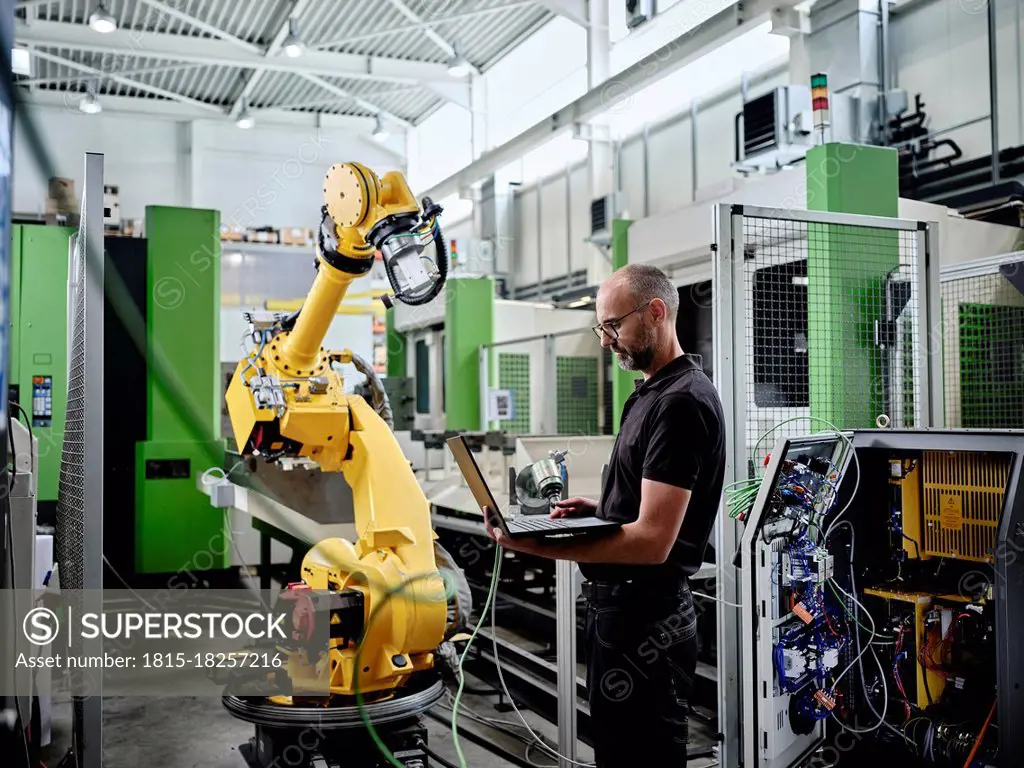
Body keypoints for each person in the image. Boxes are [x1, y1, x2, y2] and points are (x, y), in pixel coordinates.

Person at [485, 263, 726, 767]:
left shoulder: (682, 404)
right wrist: (603, 510)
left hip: (647, 626)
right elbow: (648, 508)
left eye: (613, 326)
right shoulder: (650, 393)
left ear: (656, 312)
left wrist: (536, 544)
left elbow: (651, 542)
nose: (606, 341)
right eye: (602, 328)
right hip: (622, 618)